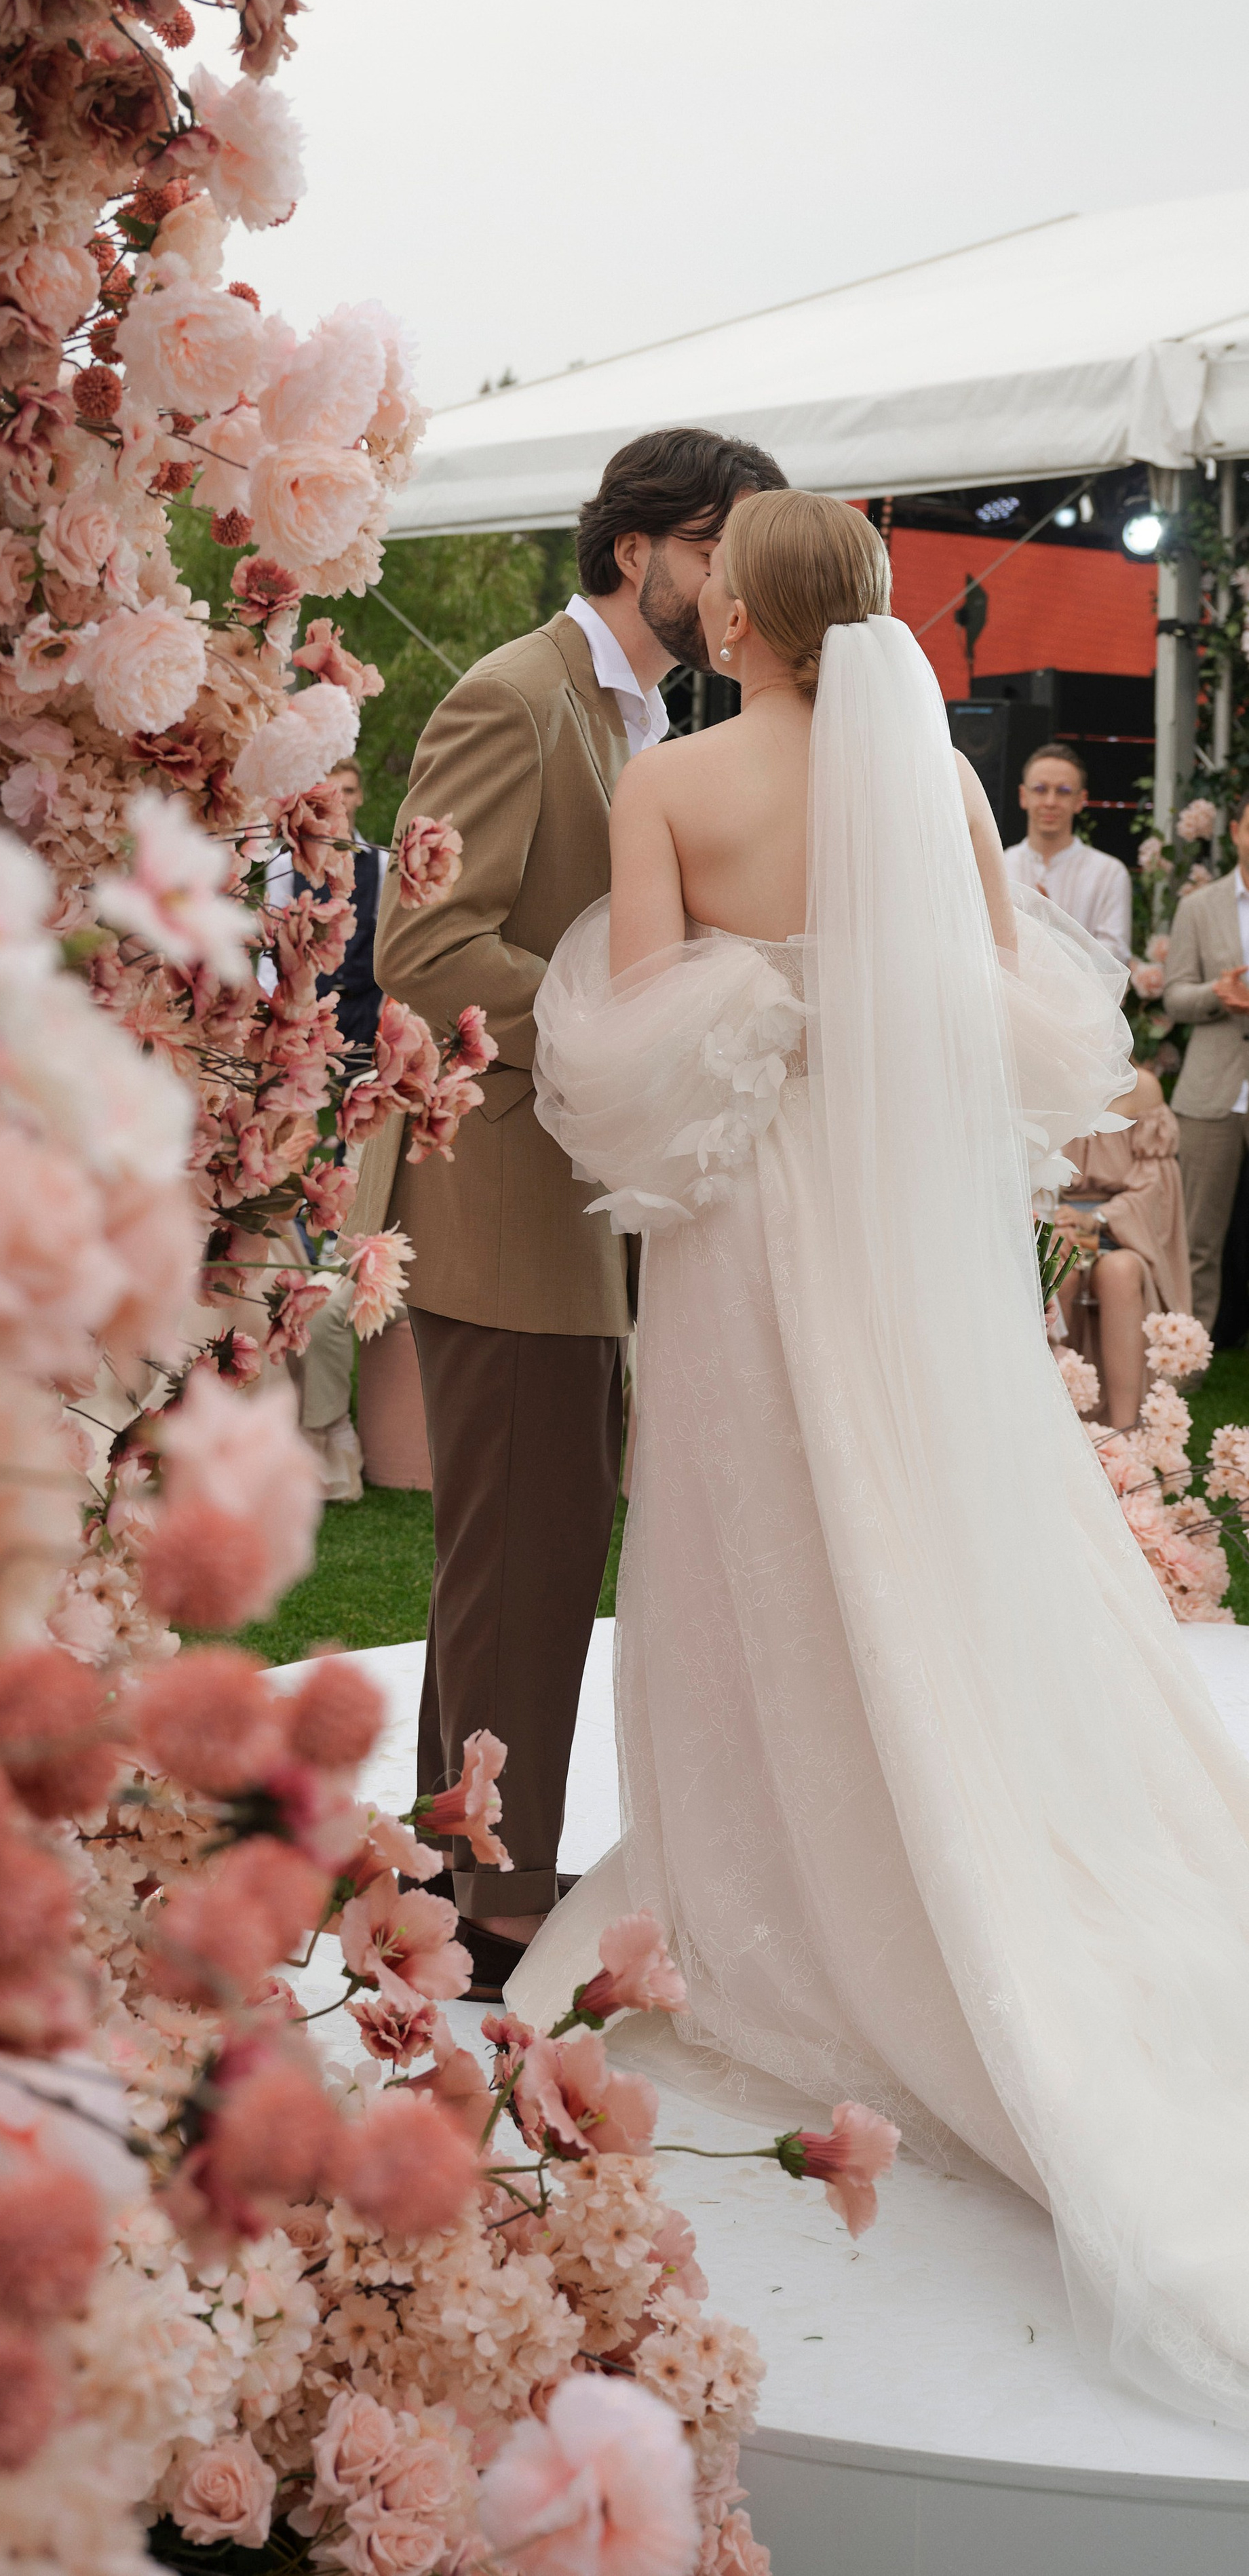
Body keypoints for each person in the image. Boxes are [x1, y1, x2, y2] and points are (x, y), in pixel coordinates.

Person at [516, 488, 1249, 2431]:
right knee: (926, 1510)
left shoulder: (676, 790)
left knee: (750, 1530)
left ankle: (763, 1870)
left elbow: (637, 1044)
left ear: (736, 617)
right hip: (899, 1224)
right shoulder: (934, 782)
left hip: (755, 1226)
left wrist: (761, 1011)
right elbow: (1011, 1013)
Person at [361, 427, 789, 1995]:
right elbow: (422, 946)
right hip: (501, 1210)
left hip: (582, 1208)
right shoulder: (512, 696)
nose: (732, 587)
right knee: (524, 1561)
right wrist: (625, 1011)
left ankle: (440, 1867)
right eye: (717, 553)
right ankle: (489, 1912)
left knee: (520, 1557)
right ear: (638, 552)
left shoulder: (645, 716)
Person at [298, 760, 385, 1502]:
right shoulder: (277, 880)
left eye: (347, 794)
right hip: (291, 1081)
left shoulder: (382, 873)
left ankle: (328, 1436)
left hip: (362, 1078)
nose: (337, 806)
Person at [1049, 1066, 1189, 1428]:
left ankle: (1125, 1433)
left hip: (1123, 1228)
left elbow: (1156, 1186)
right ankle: (1060, 1426)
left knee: (1120, 1272)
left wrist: (1095, 1219)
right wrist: (1052, 1223)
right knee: (1055, 1269)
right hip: (1058, 1222)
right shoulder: (1045, 1079)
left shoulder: (1142, 1086)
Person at [1163, 797, 1249, 1334]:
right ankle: (1183, 1363)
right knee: (1197, 1238)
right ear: (1236, 830)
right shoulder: (1199, 906)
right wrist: (1217, 994)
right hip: (1212, 1091)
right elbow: (1174, 997)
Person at [1001, 743, 1132, 962]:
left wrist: (1057, 930)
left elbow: (1115, 960)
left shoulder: (1108, 872)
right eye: (1041, 790)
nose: (1051, 802)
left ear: (1081, 800)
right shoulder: (1001, 865)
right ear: (1023, 796)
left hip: (1081, 997)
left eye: (1063, 791)